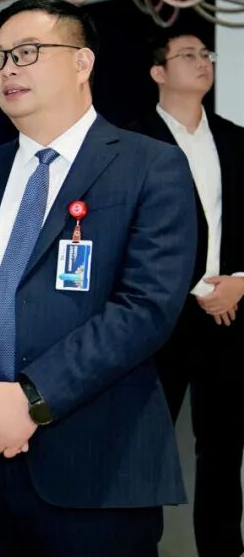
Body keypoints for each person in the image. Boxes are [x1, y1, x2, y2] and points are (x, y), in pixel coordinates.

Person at [0, 0, 197, 557]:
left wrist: (31, 399)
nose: (8, 69)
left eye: (28, 52)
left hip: (97, 463)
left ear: (82, 63)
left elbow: (145, 307)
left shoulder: (150, 166)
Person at [129, 30, 244, 557]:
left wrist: (241, 281)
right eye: (188, 55)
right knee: (143, 445)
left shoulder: (236, 140)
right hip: (159, 317)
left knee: (224, 445)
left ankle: (222, 549)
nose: (202, 62)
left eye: (206, 54)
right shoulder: (132, 144)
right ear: (158, 72)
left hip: (228, 313)